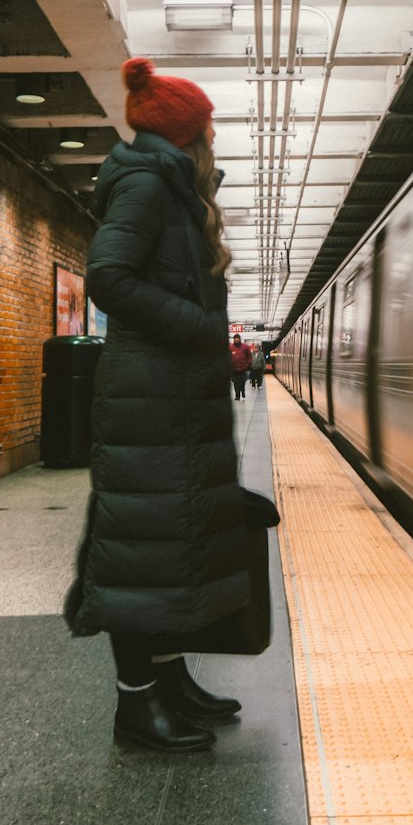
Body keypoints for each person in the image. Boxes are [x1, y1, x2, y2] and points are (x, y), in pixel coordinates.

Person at [64, 57, 252, 753]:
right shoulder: (146, 184)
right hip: (150, 404)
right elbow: (108, 277)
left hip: (166, 400)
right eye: (209, 130)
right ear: (189, 136)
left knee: (172, 550)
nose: (214, 143)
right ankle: (136, 707)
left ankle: (171, 683)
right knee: (143, 553)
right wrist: (200, 330)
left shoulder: (166, 185)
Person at [229, 333, 252, 400]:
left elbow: (249, 356)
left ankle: (243, 391)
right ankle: (237, 395)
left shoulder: (245, 347)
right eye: (235, 339)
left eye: (237, 339)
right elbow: (227, 356)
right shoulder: (230, 347)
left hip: (243, 368)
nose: (236, 340)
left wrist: (248, 364)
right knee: (236, 382)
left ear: (239, 339)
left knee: (242, 381)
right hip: (234, 368)